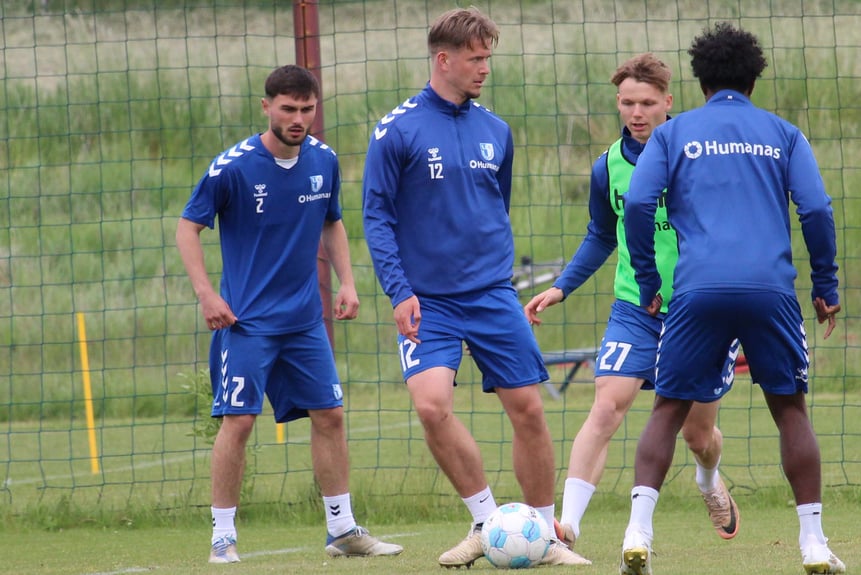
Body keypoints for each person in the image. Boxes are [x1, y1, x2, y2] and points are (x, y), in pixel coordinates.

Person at [361, 7, 590, 569]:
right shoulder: (398, 129)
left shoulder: (496, 130)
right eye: (476, 58)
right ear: (444, 59)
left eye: (488, 57)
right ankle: (487, 522)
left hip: (491, 294)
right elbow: (376, 217)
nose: (485, 67)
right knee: (432, 405)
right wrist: (399, 291)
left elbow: (495, 206)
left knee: (529, 410)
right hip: (427, 300)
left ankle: (544, 535)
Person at [619, 22, 845, 575]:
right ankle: (813, 545)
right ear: (754, 78)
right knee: (790, 409)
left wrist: (649, 282)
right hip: (770, 289)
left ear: (697, 81)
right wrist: (825, 286)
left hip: (696, 291)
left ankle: (637, 536)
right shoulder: (783, 133)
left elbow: (640, 204)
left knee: (668, 408)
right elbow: (816, 210)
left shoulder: (674, 135)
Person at [176, 64, 402, 564]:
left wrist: (346, 281)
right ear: (267, 107)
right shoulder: (232, 167)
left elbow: (332, 222)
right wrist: (207, 295)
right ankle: (222, 536)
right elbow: (188, 228)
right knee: (238, 422)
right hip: (247, 323)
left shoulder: (324, 160)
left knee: (331, 415)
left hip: (304, 322)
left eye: (307, 109)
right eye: (288, 109)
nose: (299, 118)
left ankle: (342, 530)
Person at [523, 53, 741, 552]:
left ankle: (708, 481)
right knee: (607, 406)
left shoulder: (700, 154)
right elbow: (602, 235)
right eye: (627, 103)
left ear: (668, 102)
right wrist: (562, 286)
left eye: (647, 103)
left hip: (698, 309)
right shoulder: (608, 167)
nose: (637, 112)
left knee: (697, 435)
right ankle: (567, 528)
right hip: (634, 308)